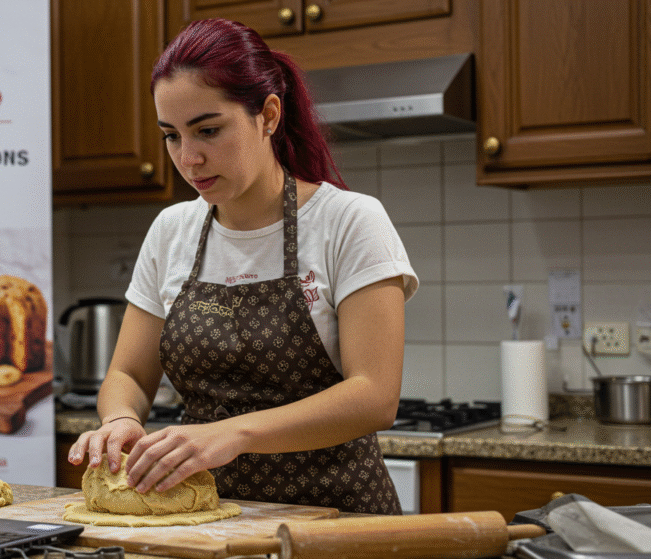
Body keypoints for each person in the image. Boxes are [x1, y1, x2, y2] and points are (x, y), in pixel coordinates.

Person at [67, 18, 418, 515]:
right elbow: (128, 372)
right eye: (171, 136)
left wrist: (231, 434)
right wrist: (120, 419)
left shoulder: (348, 221)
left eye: (208, 130)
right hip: (205, 520)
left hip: (336, 520)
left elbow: (374, 395)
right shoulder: (172, 231)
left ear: (268, 115)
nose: (189, 158)